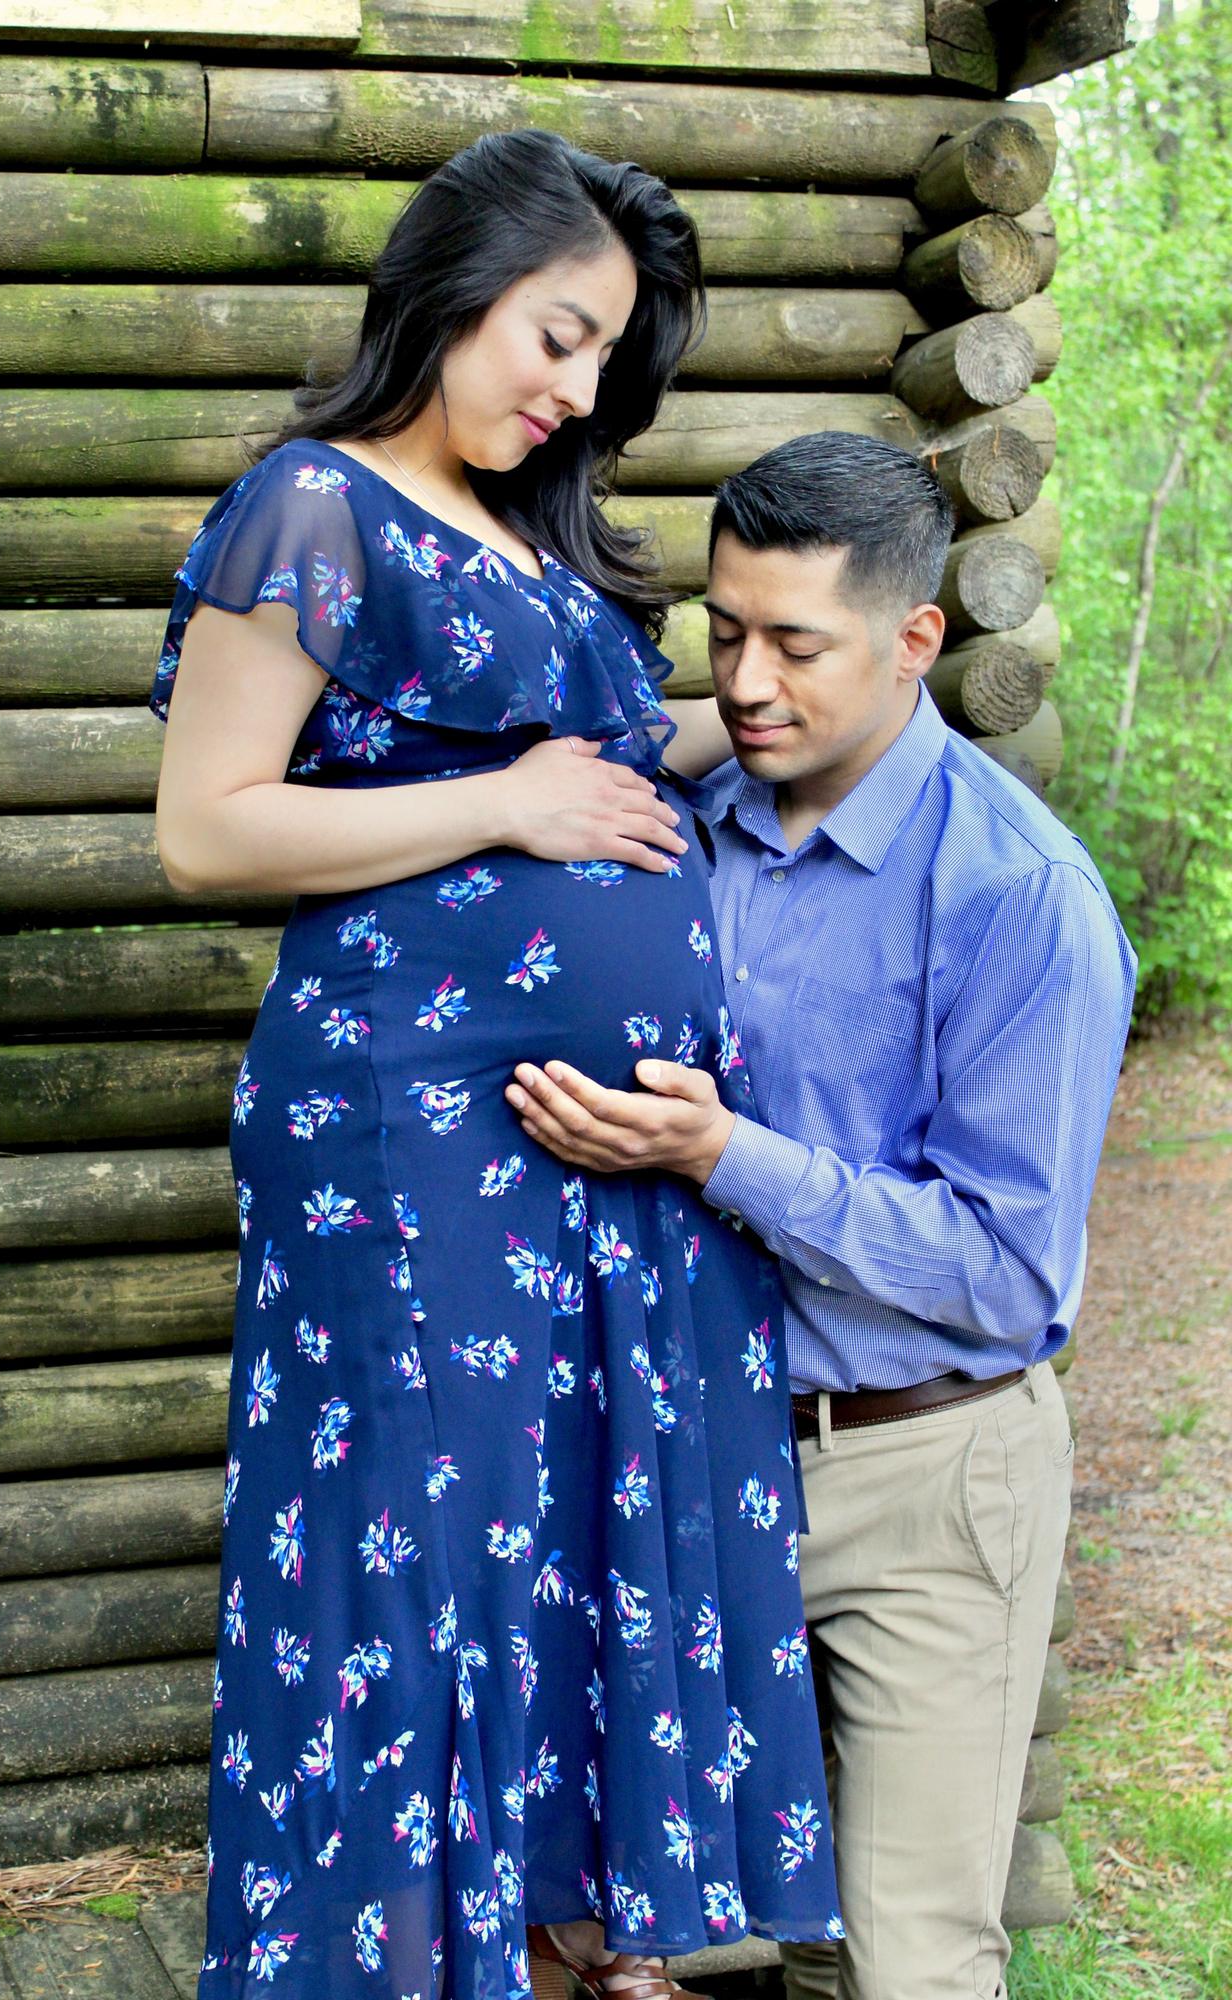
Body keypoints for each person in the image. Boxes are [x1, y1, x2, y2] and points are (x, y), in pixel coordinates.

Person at [151, 134, 838, 2000]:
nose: (573, 388)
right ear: (451, 289)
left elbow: (601, 772)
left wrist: (794, 706)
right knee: (410, 1551)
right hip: (405, 1134)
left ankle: (541, 1949)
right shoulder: (314, 508)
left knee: (552, 1544)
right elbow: (207, 834)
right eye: (556, 334)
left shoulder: (533, 540)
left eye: (605, 359)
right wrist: (510, 798)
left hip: (592, 1173)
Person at [502, 433, 1137, 2000]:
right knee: (633, 1932)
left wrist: (729, 1156)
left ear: (917, 639)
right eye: (726, 633)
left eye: (796, 643)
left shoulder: (1019, 898)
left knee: (903, 1960)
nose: (750, 680)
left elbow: (1003, 1272)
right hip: (690, 1458)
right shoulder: (686, 826)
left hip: (928, 1465)